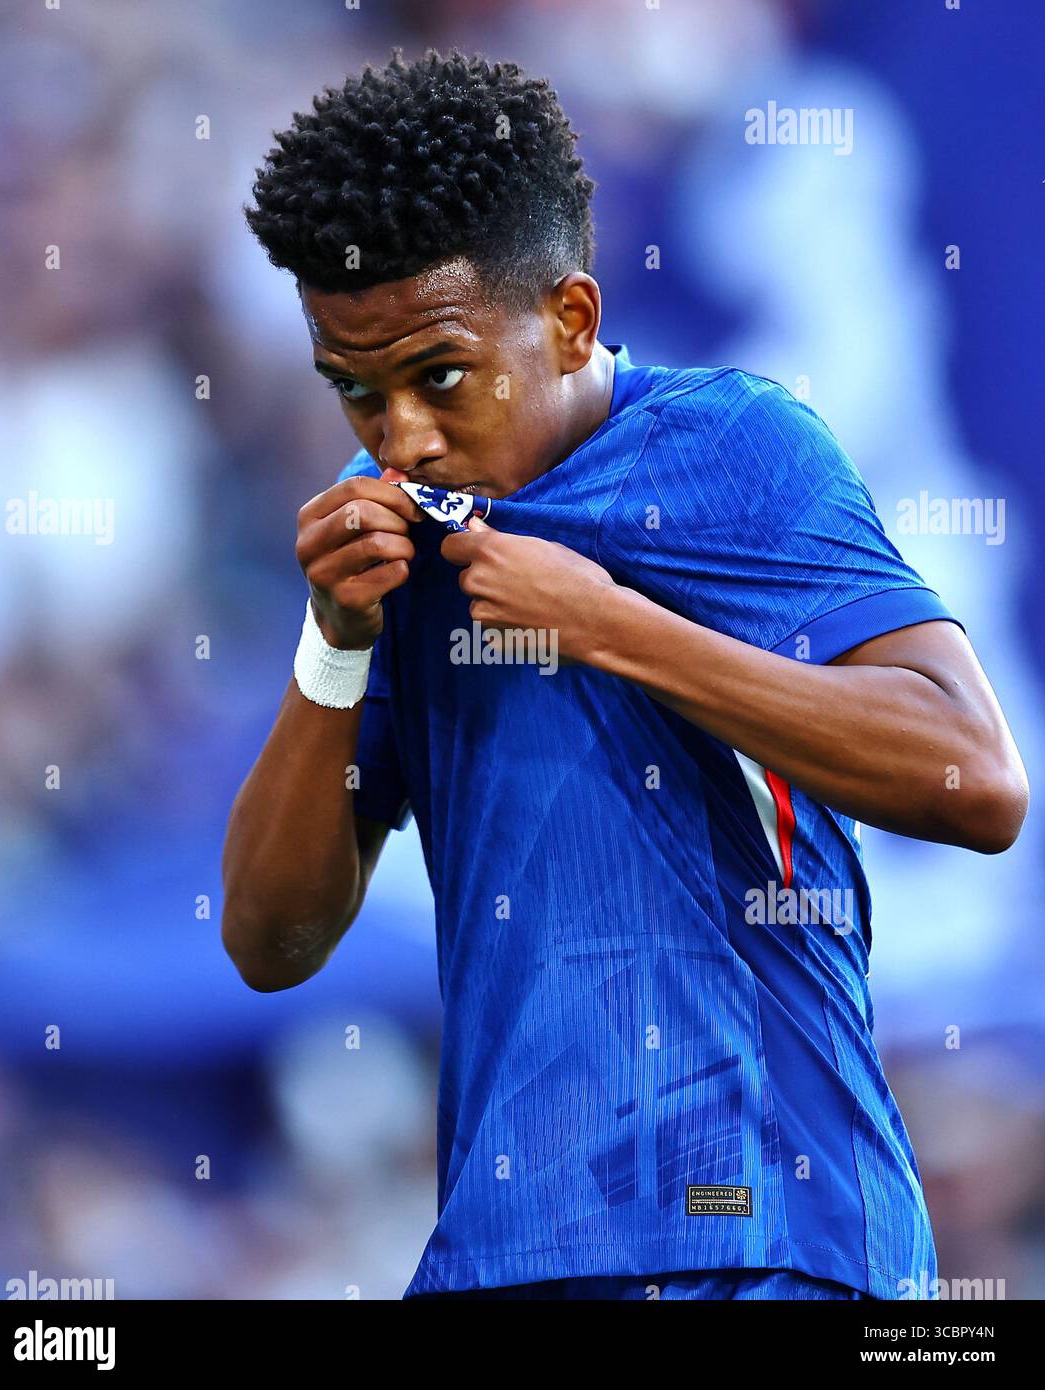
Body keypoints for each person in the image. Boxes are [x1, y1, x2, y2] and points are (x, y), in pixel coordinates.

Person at [222, 49, 1028, 1301]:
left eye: (438, 375)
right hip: (508, 1257)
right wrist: (333, 644)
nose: (402, 434)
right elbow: (270, 945)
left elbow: (974, 778)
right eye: (355, 392)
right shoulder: (378, 538)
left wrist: (607, 626)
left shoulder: (736, 443)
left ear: (572, 317)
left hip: (772, 1229)